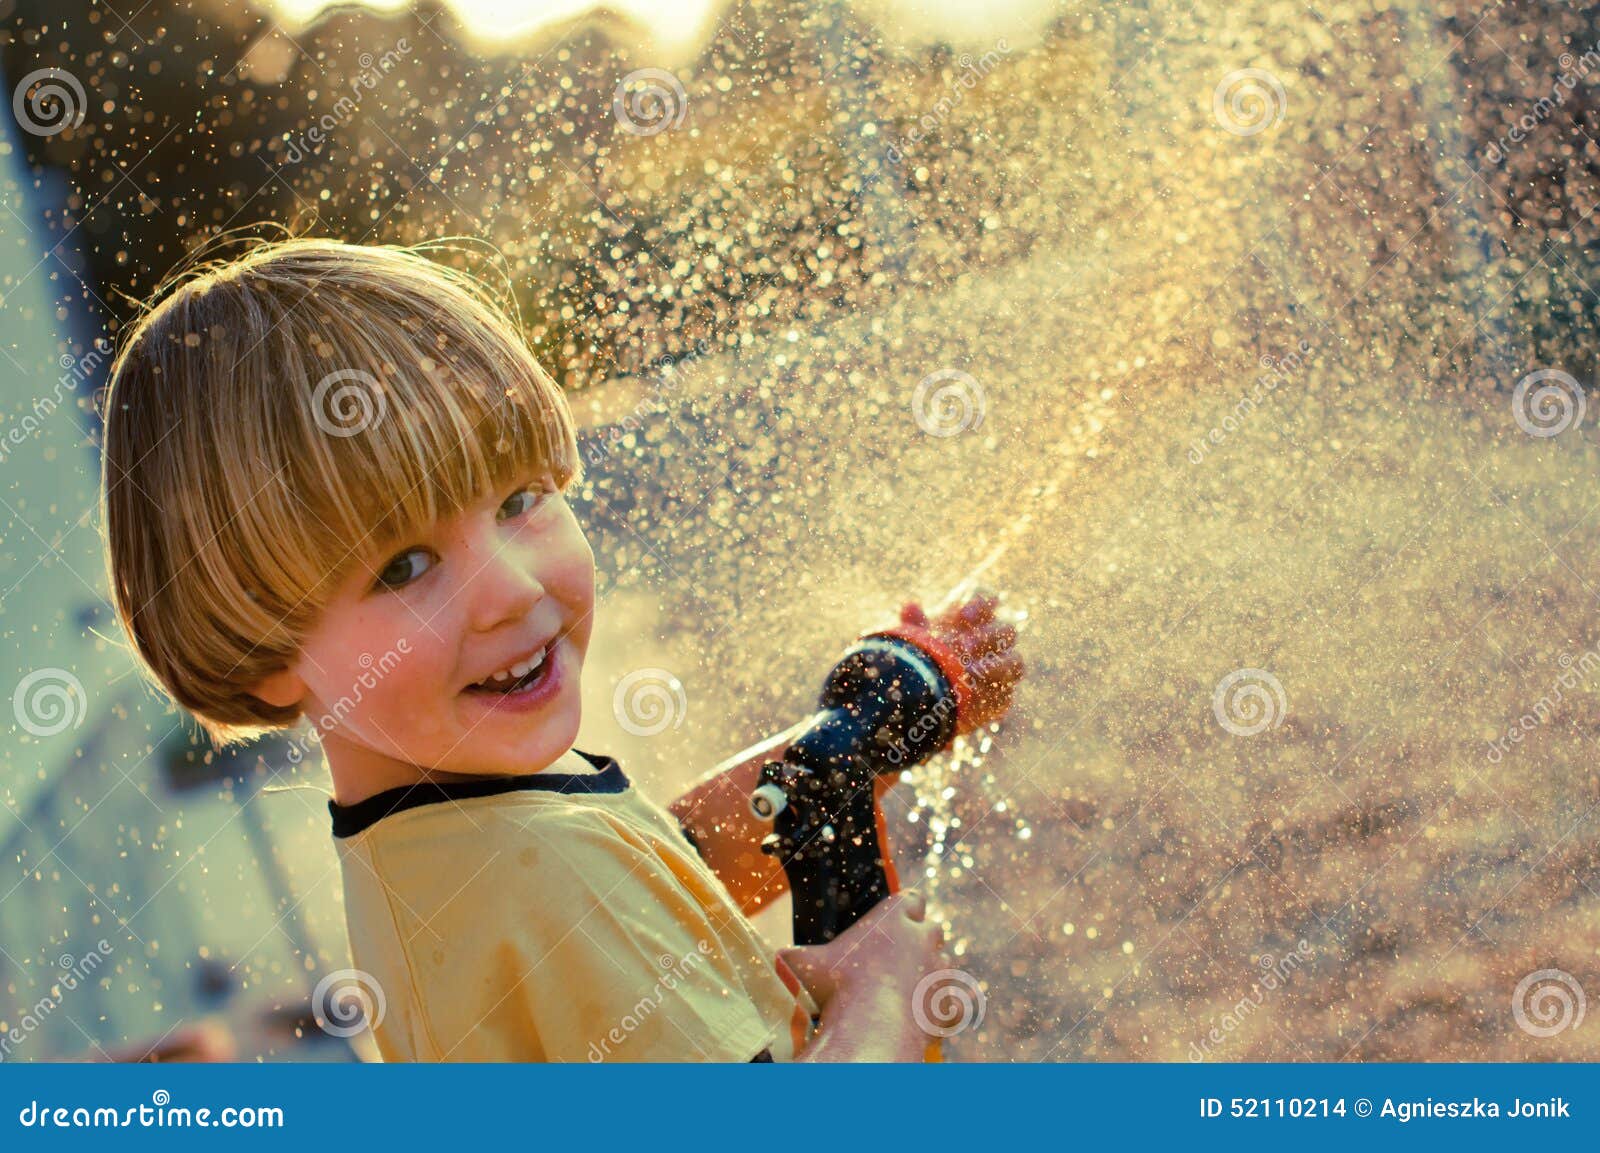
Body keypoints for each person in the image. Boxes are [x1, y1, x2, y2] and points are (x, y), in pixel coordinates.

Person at [99, 237, 1024, 1061]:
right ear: (263, 648)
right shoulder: (525, 881)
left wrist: (845, 745)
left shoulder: (446, 837)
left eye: (519, 500)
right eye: (405, 564)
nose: (510, 585)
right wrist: (889, 997)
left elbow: (665, 869)